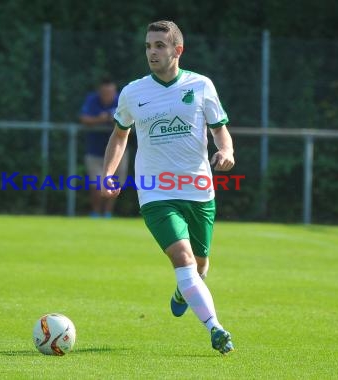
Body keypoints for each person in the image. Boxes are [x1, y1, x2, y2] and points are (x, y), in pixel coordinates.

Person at [101, 20, 235, 354]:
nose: (152, 52)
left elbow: (219, 129)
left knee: (200, 266)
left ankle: (182, 291)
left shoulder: (201, 85)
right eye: (148, 46)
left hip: (199, 188)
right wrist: (108, 172)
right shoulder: (133, 92)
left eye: (159, 45)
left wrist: (227, 150)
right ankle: (216, 329)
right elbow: (120, 135)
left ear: (178, 50)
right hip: (155, 191)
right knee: (182, 257)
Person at [80, 78, 129, 218]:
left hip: (117, 152)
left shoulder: (122, 100)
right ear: (100, 92)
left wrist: (112, 119)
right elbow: (84, 119)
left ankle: (108, 213)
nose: (108, 95)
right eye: (105, 93)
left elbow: (131, 124)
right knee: (96, 185)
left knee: (116, 185)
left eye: (111, 92)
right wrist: (102, 119)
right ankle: (96, 212)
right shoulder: (92, 100)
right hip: (95, 152)